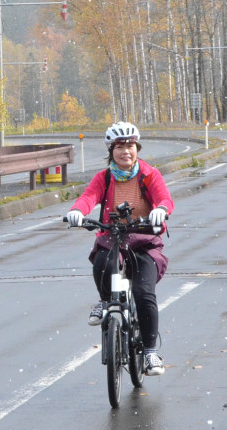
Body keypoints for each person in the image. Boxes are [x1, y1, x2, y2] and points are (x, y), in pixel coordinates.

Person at [66, 121, 174, 376]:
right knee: (103, 262)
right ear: (111, 151)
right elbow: (88, 197)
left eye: (130, 146)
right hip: (114, 237)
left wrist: (160, 210)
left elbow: (164, 198)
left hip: (145, 239)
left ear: (137, 148)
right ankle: (105, 302)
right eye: (120, 147)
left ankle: (149, 352)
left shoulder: (149, 174)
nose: (126, 151)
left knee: (143, 292)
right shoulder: (104, 177)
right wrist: (77, 212)